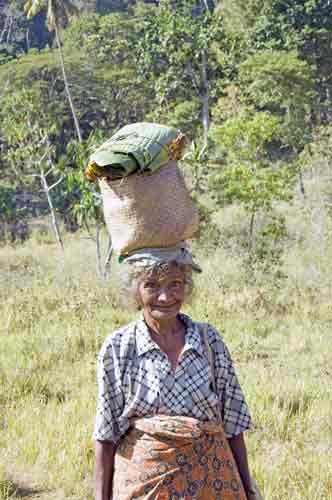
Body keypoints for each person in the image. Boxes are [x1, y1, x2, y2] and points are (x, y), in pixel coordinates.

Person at [94, 246, 259, 500]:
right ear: (135, 291)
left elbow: (233, 424)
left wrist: (249, 490)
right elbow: (106, 434)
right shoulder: (119, 347)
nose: (165, 296)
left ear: (186, 286)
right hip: (145, 487)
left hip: (213, 482)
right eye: (151, 285)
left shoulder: (208, 341)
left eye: (175, 284)